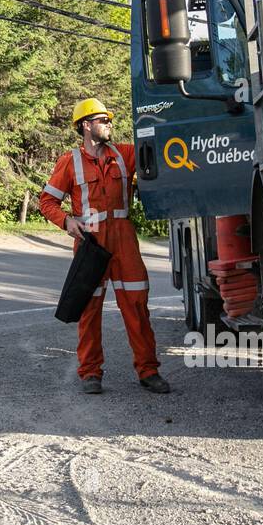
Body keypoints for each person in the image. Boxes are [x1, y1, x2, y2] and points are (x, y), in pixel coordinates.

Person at [39, 99, 169, 395]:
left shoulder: (124, 154)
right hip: (91, 242)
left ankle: (148, 371)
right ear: (86, 125)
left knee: (136, 304)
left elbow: (157, 148)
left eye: (109, 120)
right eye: (102, 120)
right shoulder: (69, 162)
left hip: (123, 237)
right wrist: (67, 222)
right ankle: (90, 373)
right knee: (89, 309)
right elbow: (47, 202)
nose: (109, 124)